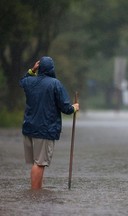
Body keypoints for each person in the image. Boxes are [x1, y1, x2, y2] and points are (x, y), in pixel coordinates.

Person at [19, 56, 79, 189]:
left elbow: (22, 80)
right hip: (44, 130)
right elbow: (65, 108)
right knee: (40, 163)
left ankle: (37, 193)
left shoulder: (29, 81)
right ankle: (35, 194)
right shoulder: (55, 84)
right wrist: (74, 108)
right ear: (52, 69)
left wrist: (31, 70)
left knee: (37, 163)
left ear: (38, 68)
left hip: (29, 129)